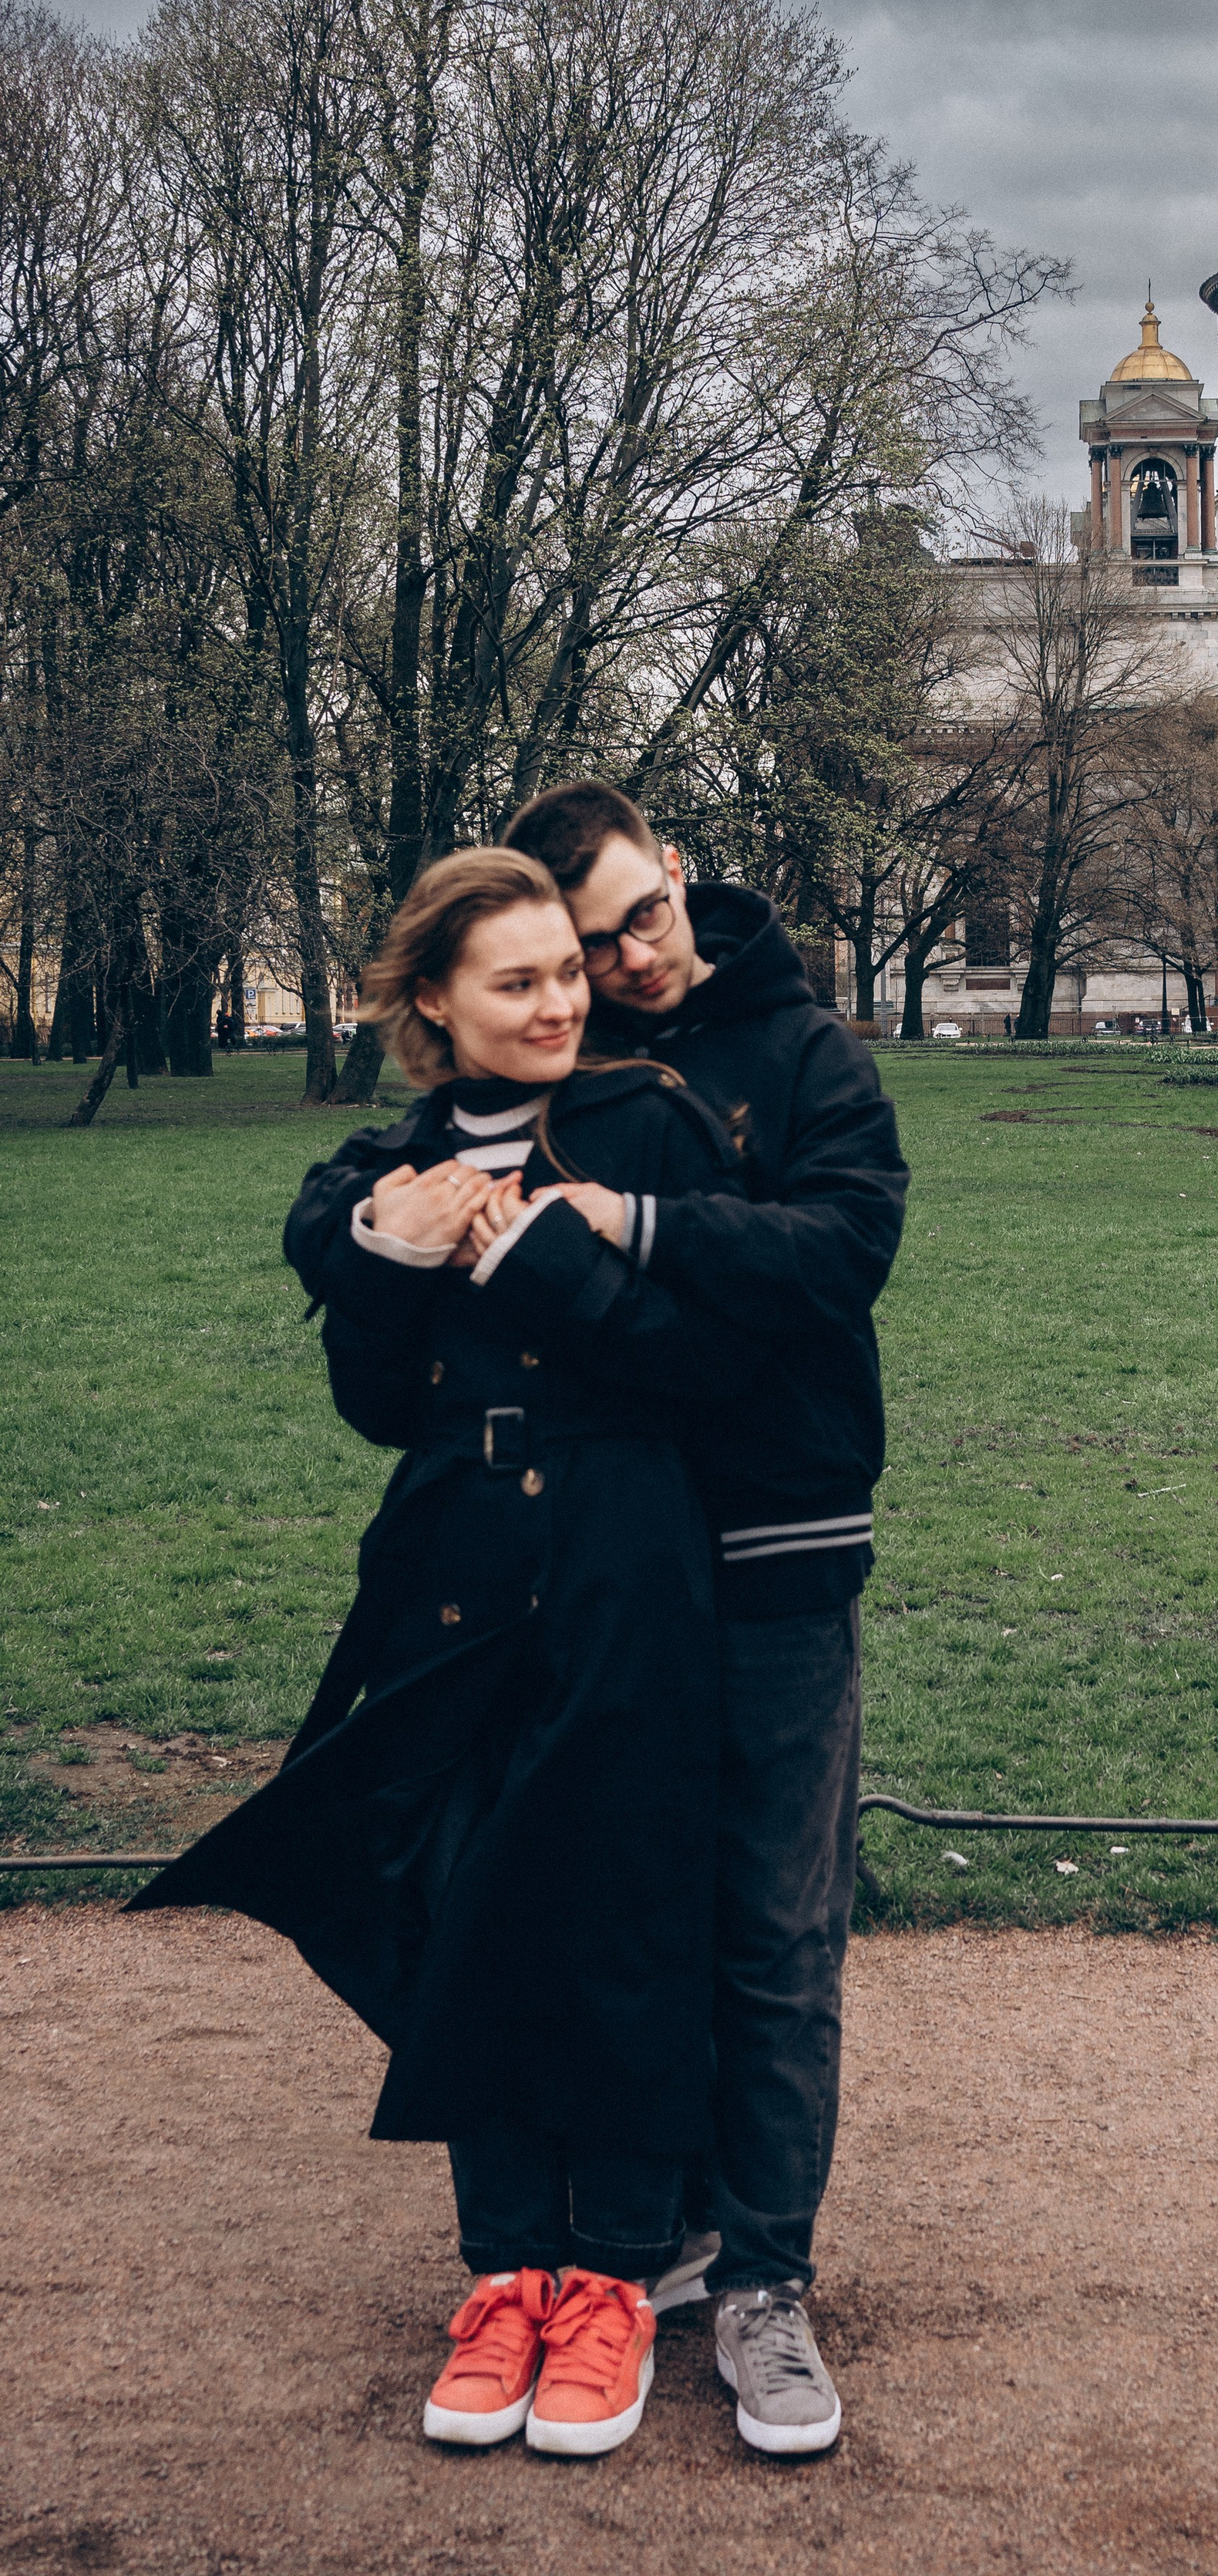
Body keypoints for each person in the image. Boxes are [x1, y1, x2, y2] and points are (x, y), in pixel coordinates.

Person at [284, 787, 909, 2461]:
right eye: (569, 949)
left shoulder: (771, 1063)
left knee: (753, 1935)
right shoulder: (500, 1097)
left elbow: (827, 1258)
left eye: (636, 924)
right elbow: (376, 1261)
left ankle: (741, 2269)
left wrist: (578, 1241)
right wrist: (367, 1238)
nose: (618, 967)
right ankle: (595, 2248)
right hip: (537, 1568)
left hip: (757, 1545)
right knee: (540, 1892)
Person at [136, 848, 779, 2462]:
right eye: (519, 979)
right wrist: (388, 1254)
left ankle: (615, 2276)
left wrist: (530, 1255)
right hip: (451, 1568)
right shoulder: (394, 1159)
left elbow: (717, 1367)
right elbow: (374, 1404)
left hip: (629, 1562)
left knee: (621, 1905)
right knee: (457, 1894)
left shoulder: (654, 1127)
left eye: (566, 967)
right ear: (431, 1000)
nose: (561, 998)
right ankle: (505, 2270)